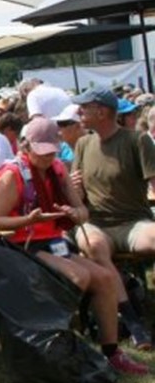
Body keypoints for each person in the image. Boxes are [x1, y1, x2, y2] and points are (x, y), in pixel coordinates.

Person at [0, 117, 148, 374]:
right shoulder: (11, 176)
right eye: (41, 153)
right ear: (26, 146)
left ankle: (112, 352)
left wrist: (73, 212)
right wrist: (27, 219)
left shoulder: (59, 170)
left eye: (51, 152)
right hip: (22, 245)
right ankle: (60, 349)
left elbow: (83, 212)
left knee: (104, 277)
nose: (46, 158)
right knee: (77, 276)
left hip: (53, 241)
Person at [71, 86, 155, 348]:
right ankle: (134, 324)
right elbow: (76, 195)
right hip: (98, 224)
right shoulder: (83, 144)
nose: (79, 112)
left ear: (102, 111)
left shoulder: (137, 140)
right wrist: (75, 189)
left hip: (134, 220)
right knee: (94, 246)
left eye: (84, 107)